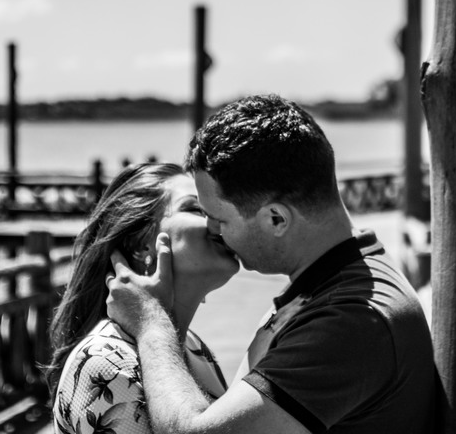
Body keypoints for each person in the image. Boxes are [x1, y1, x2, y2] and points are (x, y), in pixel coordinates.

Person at [107, 94, 436, 434]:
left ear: (276, 219)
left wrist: (151, 321)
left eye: (219, 218)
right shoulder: (344, 277)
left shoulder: (349, 322)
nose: (212, 230)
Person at [48, 162, 240, 434]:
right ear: (140, 244)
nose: (218, 220)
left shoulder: (195, 348)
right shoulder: (108, 362)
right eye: (196, 209)